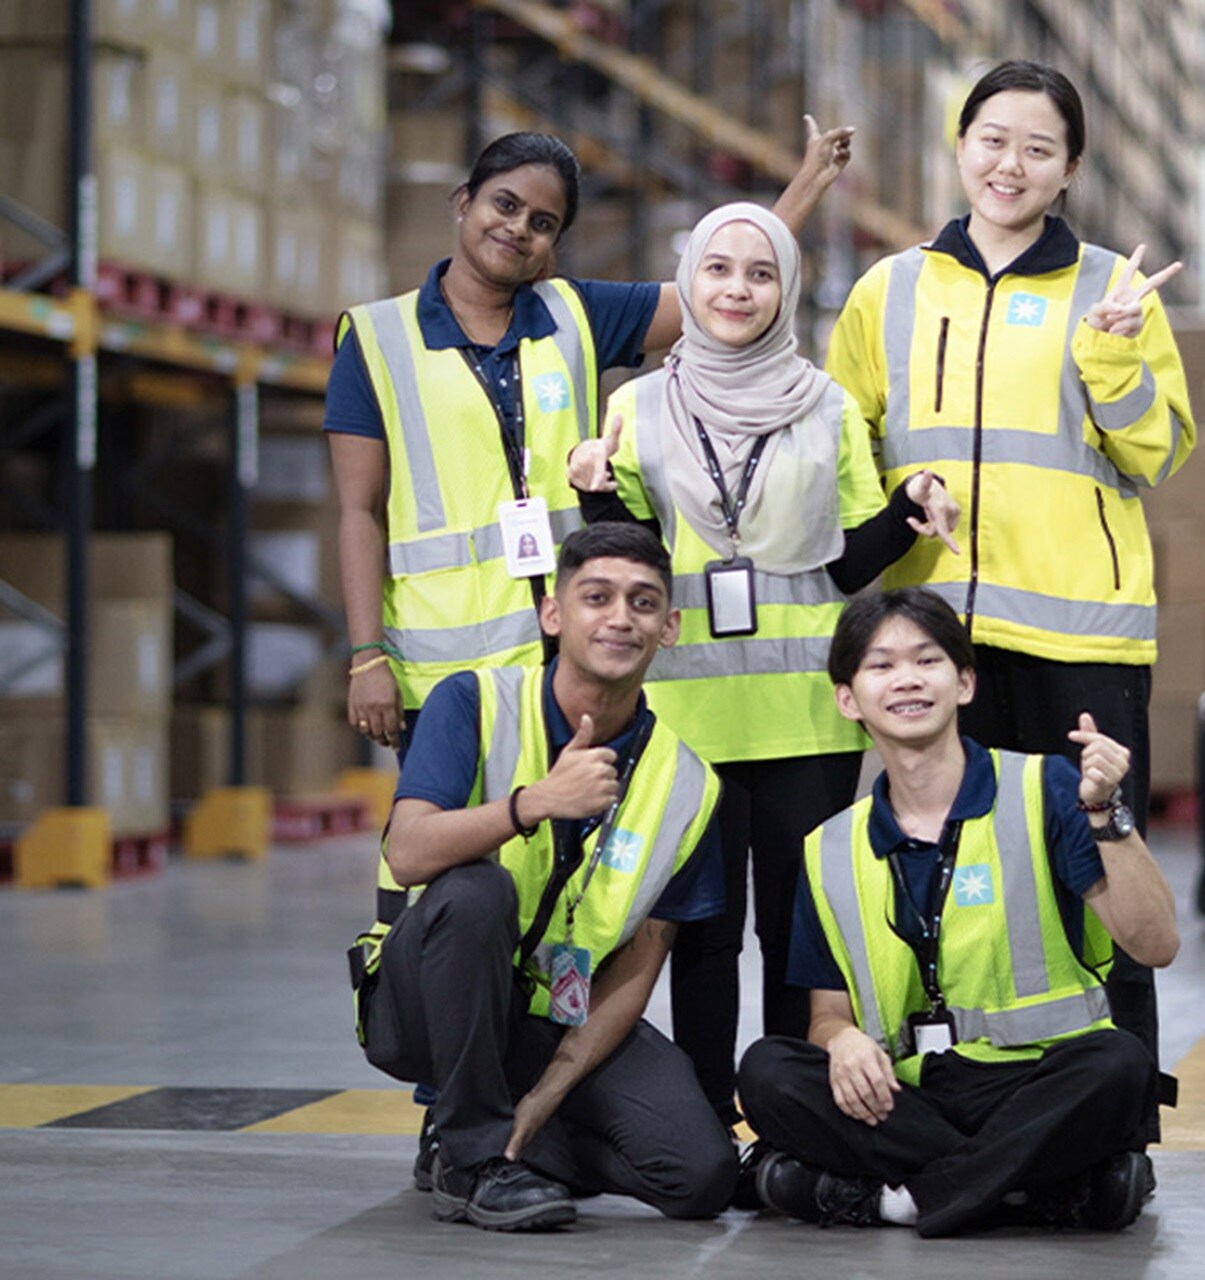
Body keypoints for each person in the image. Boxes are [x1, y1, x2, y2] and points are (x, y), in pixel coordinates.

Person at [823, 59, 1194, 1126]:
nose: (1010, 165)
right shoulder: (889, 291)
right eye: (992, 139)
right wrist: (899, 499)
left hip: (1079, 641)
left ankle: (1117, 1119)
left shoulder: (1111, 292)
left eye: (1038, 148)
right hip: (937, 641)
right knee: (950, 868)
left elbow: (1159, 453)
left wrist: (1113, 360)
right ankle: (967, 1102)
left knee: (1098, 867)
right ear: (959, 146)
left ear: (1069, 169)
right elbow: (842, 448)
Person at [568, 202, 960, 1134]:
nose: (737, 290)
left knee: (795, 933)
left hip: (807, 721)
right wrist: (593, 493)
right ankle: (709, 1119)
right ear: (689, 280)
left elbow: (849, 564)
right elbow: (631, 564)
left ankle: (789, 1124)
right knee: (700, 931)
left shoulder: (825, 405)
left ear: (786, 288)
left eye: (761, 272)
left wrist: (909, 500)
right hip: (686, 720)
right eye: (718, 269)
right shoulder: (636, 408)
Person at [326, 122, 854, 756]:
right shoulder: (377, 340)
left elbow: (717, 289)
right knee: (452, 821)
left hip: (577, 660)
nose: (518, 228)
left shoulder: (575, 315)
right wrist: (366, 656)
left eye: (543, 223)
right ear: (464, 201)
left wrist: (807, 184)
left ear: (553, 243)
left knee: (575, 816)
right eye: (505, 204)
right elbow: (359, 511)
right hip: (442, 672)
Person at [736, 586, 1180, 1237]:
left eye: (928, 660)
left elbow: (1157, 945)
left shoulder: (1045, 788)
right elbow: (827, 1014)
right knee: (768, 1071)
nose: (907, 679)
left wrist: (1106, 814)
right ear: (847, 699)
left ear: (964, 683)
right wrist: (842, 1040)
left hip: (1035, 1081)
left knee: (1121, 1065)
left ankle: (899, 1200)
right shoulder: (829, 849)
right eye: (882, 665)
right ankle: (1033, 1189)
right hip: (907, 1094)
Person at [347, 523, 735, 1232]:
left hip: (547, 1017)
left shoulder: (688, 786)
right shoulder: (473, 702)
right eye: (597, 597)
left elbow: (637, 971)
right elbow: (408, 852)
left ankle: (494, 1135)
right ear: (553, 614)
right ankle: (472, 1163)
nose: (621, 617)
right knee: (477, 891)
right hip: (419, 1006)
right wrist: (533, 804)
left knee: (699, 1174)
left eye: (644, 602)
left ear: (670, 627)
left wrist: (549, 1093)